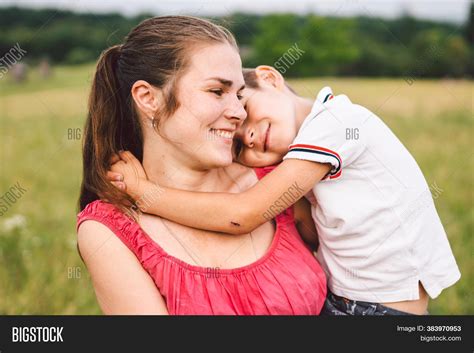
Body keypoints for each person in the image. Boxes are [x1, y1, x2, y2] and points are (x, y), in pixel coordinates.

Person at [108, 65, 460, 315]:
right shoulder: (306, 151)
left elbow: (242, 215)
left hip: (373, 311)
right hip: (355, 303)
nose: (245, 134)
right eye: (237, 147)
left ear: (269, 78)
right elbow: (309, 229)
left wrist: (143, 192)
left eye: (245, 110)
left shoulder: (337, 123)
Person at [77, 17, 327, 315]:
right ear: (148, 98)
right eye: (217, 92)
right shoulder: (109, 231)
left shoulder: (275, 178)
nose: (237, 112)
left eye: (238, 95)